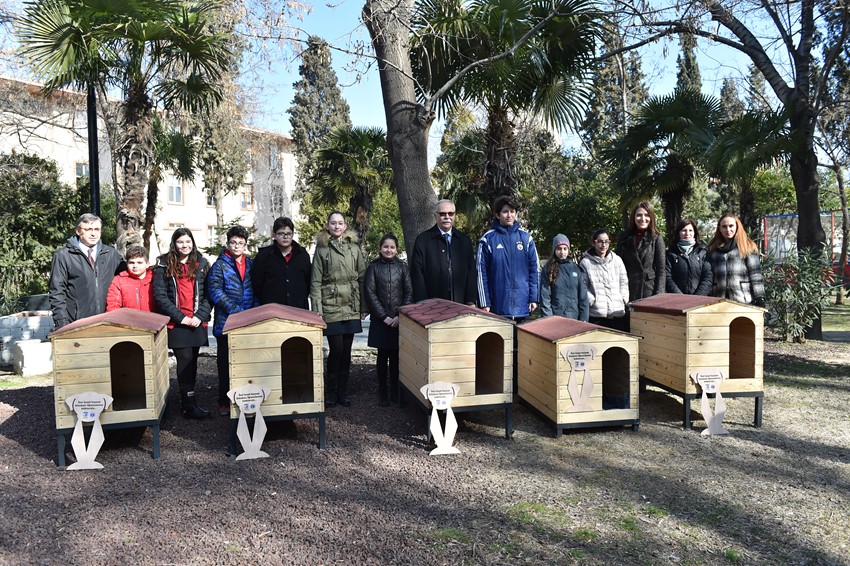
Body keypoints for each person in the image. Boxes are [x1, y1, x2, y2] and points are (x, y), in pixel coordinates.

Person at [153, 228, 213, 420]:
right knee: (185, 361)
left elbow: (209, 294)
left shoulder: (202, 264)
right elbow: (160, 296)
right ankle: (188, 405)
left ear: (192, 243)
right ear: (174, 244)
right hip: (177, 323)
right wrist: (181, 317)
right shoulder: (163, 264)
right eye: (180, 242)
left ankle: (189, 399)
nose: (184, 245)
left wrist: (200, 316)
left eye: (188, 242)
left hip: (196, 321)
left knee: (193, 361)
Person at [310, 211, 367, 408]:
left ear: (345, 226)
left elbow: (362, 277)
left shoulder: (354, 248)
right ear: (327, 226)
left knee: (347, 351)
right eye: (333, 223)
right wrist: (317, 310)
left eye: (340, 223)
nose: (336, 226)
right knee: (337, 350)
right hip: (331, 305)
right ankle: (331, 392)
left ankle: (343, 392)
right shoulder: (322, 249)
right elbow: (315, 282)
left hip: (351, 305)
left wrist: (363, 306)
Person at [207, 226, 258, 416]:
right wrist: (234, 309)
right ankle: (224, 400)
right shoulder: (220, 265)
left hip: (248, 321)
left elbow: (255, 288)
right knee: (225, 364)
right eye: (233, 242)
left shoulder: (251, 264)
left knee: (245, 363)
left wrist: (254, 310)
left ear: (245, 245)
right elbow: (215, 291)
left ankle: (245, 397)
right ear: (227, 243)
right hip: (226, 322)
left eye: (241, 243)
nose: (237, 246)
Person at [49, 213, 125, 329]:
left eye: (97, 229)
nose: (93, 233)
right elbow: (57, 292)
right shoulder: (63, 256)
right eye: (89, 229)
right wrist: (62, 325)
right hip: (76, 324)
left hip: (108, 323)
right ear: (78, 231)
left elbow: (129, 278)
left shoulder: (111, 254)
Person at [363, 233, 413, 406]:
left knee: (397, 357)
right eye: (385, 247)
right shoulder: (373, 267)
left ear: (396, 249)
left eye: (392, 247)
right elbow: (370, 293)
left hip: (399, 321)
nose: (389, 250)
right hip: (381, 320)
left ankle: (396, 392)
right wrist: (384, 317)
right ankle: (382, 392)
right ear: (380, 248)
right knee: (382, 357)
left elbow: (408, 292)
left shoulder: (403, 267)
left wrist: (399, 316)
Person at [476, 195, 539, 320]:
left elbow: (534, 270)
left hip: (522, 306)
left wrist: (533, 297)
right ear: (498, 215)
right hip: (497, 307)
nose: (509, 215)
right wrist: (484, 302)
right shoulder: (487, 239)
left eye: (512, 211)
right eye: (505, 212)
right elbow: (480, 273)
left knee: (521, 340)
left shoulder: (526, 238)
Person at [410, 199, 477, 305]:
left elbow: (471, 271)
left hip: (460, 302)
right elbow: (417, 273)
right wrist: (422, 302)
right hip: (432, 304)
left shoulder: (464, 240)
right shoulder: (423, 240)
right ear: (435, 216)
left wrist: (470, 300)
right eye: (442, 214)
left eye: (450, 214)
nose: (447, 217)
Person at [251, 217, 311, 309]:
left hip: (298, 309)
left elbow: (308, 282)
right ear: (274, 235)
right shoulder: (264, 256)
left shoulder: (303, 256)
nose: (285, 237)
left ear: (292, 234)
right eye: (281, 233)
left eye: (288, 233)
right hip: (272, 311)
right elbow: (257, 284)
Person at [707, 213, 766, 306]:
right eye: (724, 226)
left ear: (737, 227)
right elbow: (708, 275)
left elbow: (755, 275)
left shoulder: (747, 247)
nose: (728, 230)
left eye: (731, 226)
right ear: (719, 228)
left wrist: (760, 298)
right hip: (718, 300)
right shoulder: (713, 249)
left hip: (742, 299)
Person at [580, 229, 629, 331]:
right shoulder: (585, 262)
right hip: (597, 314)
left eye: (606, 241)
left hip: (617, 311)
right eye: (600, 241)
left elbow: (623, 281)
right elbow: (583, 285)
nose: (603, 245)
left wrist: (623, 298)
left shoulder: (617, 260)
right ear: (594, 242)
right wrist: (591, 299)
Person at [617, 201, 666, 302]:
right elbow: (618, 266)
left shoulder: (656, 237)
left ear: (651, 217)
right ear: (633, 217)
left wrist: (659, 295)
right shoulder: (624, 237)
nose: (643, 219)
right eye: (639, 215)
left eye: (646, 215)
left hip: (649, 290)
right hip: (629, 289)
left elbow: (661, 269)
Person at [540, 234, 589, 321]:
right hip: (555, 317)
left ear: (568, 250)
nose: (562, 252)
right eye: (559, 249)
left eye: (565, 249)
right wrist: (548, 318)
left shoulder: (576, 269)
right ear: (554, 250)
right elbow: (545, 296)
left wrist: (584, 319)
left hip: (574, 317)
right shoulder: (548, 269)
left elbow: (583, 298)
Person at [666, 219, 713, 295]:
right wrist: (680, 297)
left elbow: (708, 277)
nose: (687, 233)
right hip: (676, 300)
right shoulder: (670, 253)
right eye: (684, 230)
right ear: (678, 232)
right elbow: (668, 277)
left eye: (690, 230)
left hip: (699, 300)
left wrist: (697, 297)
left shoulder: (702, 252)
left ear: (695, 233)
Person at [106, 245, 156, 312]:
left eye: (139, 263)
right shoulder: (119, 280)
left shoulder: (156, 279)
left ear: (147, 264)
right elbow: (113, 306)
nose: (135, 266)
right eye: (131, 263)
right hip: (127, 321)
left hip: (153, 320)